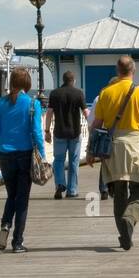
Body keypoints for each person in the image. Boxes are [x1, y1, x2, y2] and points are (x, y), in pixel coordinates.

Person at [86, 56, 139, 250]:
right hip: (135, 145)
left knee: (119, 191)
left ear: (117, 70)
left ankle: (124, 234)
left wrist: (90, 150)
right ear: (133, 70)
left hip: (112, 147)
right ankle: (130, 217)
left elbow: (96, 124)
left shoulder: (106, 93)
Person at [0, 67, 46, 253]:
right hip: (25, 155)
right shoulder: (32, 104)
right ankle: (17, 242)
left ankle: (5, 224)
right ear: (27, 84)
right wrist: (42, 156)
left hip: (5, 156)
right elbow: (36, 132)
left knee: (11, 195)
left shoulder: (1, 104)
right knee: (22, 200)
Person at [46, 70, 88, 200]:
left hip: (59, 132)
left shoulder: (55, 93)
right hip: (75, 133)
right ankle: (72, 190)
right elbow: (86, 112)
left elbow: (49, 113)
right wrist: (92, 126)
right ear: (73, 80)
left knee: (58, 160)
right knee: (74, 161)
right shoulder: (79, 93)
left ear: (63, 80)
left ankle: (60, 184)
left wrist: (46, 130)